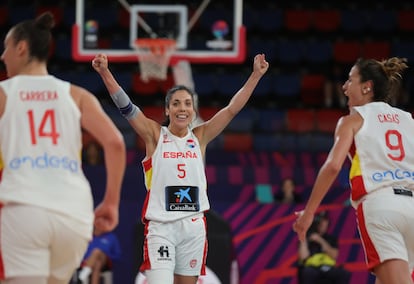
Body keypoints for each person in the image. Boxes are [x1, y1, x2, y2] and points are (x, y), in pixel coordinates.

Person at [92, 53, 269, 284]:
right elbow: (127, 108)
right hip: (161, 228)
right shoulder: (155, 135)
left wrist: (255, 75)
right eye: (176, 104)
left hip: (193, 228)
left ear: (193, 111)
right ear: (167, 110)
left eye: (187, 104)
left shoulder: (201, 136)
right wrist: (105, 72)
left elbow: (232, 109)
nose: (182, 108)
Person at [0, 12, 126, 283]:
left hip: (24, 207)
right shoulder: (77, 95)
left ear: (21, 48)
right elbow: (115, 142)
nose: (2, 57)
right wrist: (112, 203)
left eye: (5, 48)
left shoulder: (4, 93)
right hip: (75, 213)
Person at [293, 57, 413, 284]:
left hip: (381, 206)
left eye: (350, 80)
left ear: (367, 87)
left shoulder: (352, 120)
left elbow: (333, 166)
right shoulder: (408, 120)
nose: (344, 87)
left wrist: (309, 214)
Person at [297, 211, 350, 284]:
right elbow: (303, 257)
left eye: (325, 221)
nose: (323, 223)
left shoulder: (331, 239)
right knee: (308, 273)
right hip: (312, 267)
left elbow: (334, 255)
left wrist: (320, 240)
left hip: (327, 267)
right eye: (321, 221)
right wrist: (304, 236)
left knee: (343, 273)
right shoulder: (306, 237)